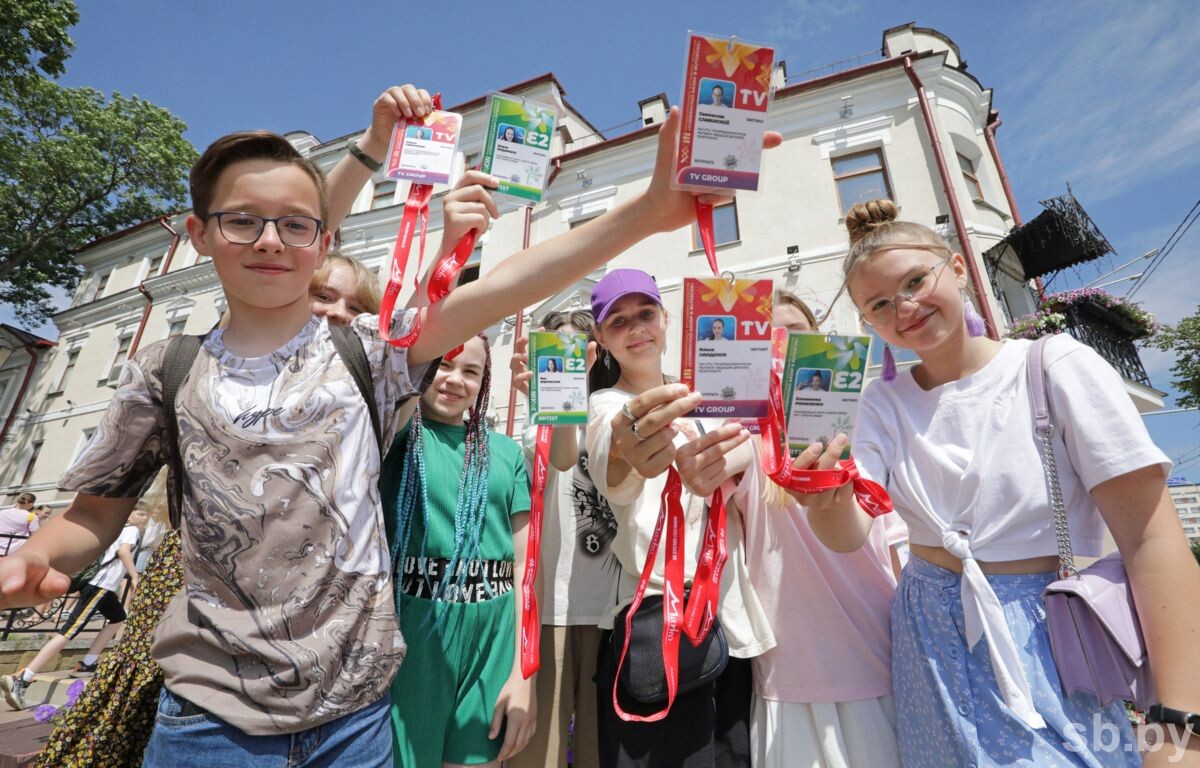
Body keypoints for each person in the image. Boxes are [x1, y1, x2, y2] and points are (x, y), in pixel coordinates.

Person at [0, 84, 780, 767]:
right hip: (210, 720)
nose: (270, 240)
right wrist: (38, 555)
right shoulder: (163, 370)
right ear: (202, 236)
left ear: (321, 239)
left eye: (294, 226)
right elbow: (92, 515)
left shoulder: (370, 359)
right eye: (241, 222)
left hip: (355, 721)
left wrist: (646, 212)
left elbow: (506, 285)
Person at [799, 199, 1200, 767]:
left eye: (916, 280)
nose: (905, 307)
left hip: (1045, 632)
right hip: (928, 640)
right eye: (880, 304)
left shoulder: (1053, 365)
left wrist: (1180, 730)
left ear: (958, 268)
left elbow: (1152, 540)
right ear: (868, 324)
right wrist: (824, 497)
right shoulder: (880, 403)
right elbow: (846, 534)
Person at [36, 247, 386, 768]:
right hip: (209, 642)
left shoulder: (363, 386)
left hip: (334, 686)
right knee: (132, 710)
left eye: (354, 307)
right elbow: (95, 509)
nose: (336, 313)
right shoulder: (200, 372)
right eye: (322, 295)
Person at [586, 268, 774, 768]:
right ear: (602, 338)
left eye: (645, 313)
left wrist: (733, 459)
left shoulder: (710, 391)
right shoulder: (604, 405)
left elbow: (754, 456)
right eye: (618, 321)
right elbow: (614, 460)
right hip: (656, 625)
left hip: (729, 616)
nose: (636, 328)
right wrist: (632, 441)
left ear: (667, 319)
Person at [726, 288, 905, 768]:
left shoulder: (870, 423)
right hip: (792, 681)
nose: (782, 349)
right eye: (769, 340)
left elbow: (894, 548)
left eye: (796, 335)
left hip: (879, 662)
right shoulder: (746, 439)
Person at [382, 334, 534, 767]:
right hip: (414, 635)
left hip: (493, 641)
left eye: (471, 371)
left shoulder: (505, 453)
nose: (454, 380)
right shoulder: (392, 437)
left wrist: (525, 674)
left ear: (485, 381)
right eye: (443, 365)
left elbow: (525, 567)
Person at [509, 309, 613, 768]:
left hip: (609, 610)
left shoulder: (613, 412)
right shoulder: (535, 424)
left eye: (576, 348)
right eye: (554, 348)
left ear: (593, 354)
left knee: (598, 753)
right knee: (539, 756)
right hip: (548, 611)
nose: (566, 358)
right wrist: (545, 402)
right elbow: (562, 458)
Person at [0, 507, 144, 709]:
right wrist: (136, 576)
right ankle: (24, 676)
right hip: (100, 586)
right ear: (129, 515)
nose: (143, 518)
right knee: (70, 629)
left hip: (102, 587)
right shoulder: (131, 530)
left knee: (118, 619)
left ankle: (88, 662)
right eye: (140, 513)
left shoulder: (115, 529)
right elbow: (123, 551)